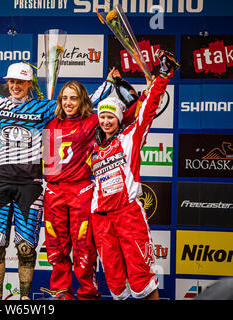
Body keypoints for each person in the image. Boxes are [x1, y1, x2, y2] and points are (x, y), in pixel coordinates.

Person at [0, 55, 116, 300]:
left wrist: (109, 83)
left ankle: (24, 297)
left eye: (21, 82)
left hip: (30, 184)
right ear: (7, 83)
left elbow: (85, 101)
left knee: (26, 248)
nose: (16, 86)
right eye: (12, 82)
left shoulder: (46, 107)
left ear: (30, 83)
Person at [42, 69, 142, 300]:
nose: (68, 102)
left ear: (82, 100)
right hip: (54, 190)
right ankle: (61, 294)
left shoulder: (92, 121)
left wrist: (139, 95)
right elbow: (43, 157)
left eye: (73, 98)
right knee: (56, 247)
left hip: (81, 190)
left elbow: (123, 118)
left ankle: (87, 294)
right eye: (64, 98)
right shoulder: (50, 124)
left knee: (84, 248)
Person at [90, 50, 179, 300]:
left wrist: (162, 76)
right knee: (116, 284)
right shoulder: (94, 145)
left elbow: (148, 109)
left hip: (127, 213)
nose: (106, 122)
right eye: (103, 117)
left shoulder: (130, 138)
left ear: (119, 119)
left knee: (142, 278)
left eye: (111, 117)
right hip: (100, 218)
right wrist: (110, 84)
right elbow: (77, 112)